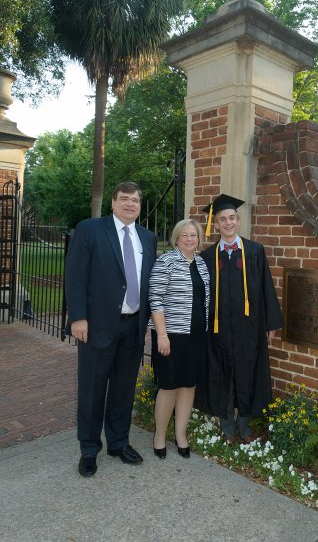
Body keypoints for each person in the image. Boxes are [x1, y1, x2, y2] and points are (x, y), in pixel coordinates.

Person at [65, 182, 157, 477]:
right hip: (98, 326)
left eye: (135, 200)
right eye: (124, 199)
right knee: (92, 390)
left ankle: (118, 442)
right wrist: (78, 317)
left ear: (140, 207)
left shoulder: (147, 238)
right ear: (114, 203)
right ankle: (89, 449)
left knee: (123, 389)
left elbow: (148, 282)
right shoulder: (90, 230)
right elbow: (75, 276)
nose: (130, 204)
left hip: (133, 327)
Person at [195, 194, 283, 443]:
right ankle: (227, 425)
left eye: (232, 217)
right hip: (217, 327)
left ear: (238, 220)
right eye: (222, 219)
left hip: (249, 328)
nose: (228, 223)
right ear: (216, 224)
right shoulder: (207, 257)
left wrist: (271, 323)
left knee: (248, 372)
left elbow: (266, 287)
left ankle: (244, 424)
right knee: (220, 372)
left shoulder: (254, 251)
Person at [148, 219, 210, 459]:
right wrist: (162, 335)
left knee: (188, 385)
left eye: (193, 235)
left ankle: (181, 435)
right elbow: (155, 299)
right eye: (184, 235)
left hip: (196, 335)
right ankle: (160, 435)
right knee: (169, 386)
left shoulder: (202, 264)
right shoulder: (165, 262)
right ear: (176, 238)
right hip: (171, 335)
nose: (189, 239)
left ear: (198, 239)